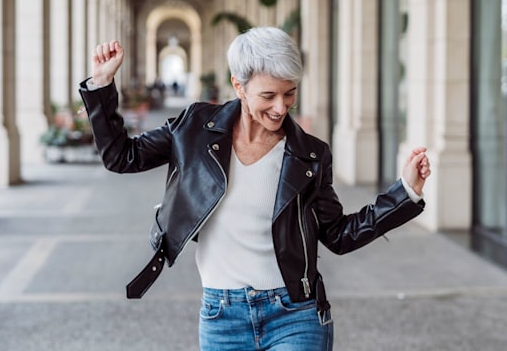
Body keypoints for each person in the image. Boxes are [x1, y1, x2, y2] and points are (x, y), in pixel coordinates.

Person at [79, 27, 431, 351]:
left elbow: (338, 235)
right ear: (239, 86)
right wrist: (101, 86)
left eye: (289, 93)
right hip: (221, 316)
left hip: (296, 315)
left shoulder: (310, 154)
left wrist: (406, 193)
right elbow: (122, 157)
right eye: (269, 95)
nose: (281, 107)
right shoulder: (194, 128)